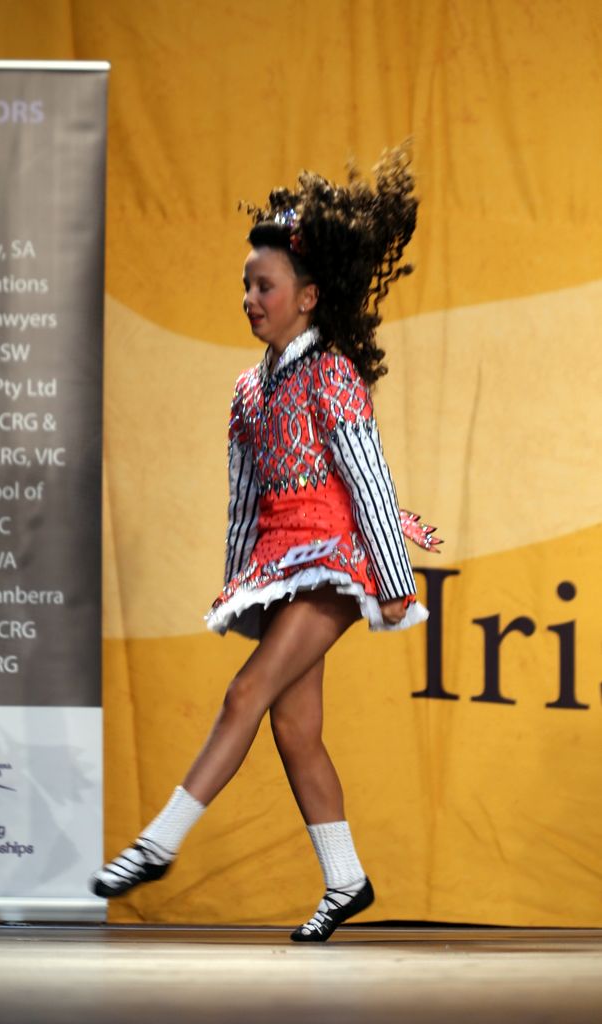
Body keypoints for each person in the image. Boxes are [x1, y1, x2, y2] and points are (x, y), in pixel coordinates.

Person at [90, 145, 440, 941]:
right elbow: (244, 503)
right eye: (246, 285)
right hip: (285, 564)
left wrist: (394, 579)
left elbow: (369, 479)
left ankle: (157, 843)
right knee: (293, 730)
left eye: (264, 286)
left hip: (337, 560)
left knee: (244, 695)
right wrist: (237, 586)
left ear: (307, 296)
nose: (250, 298)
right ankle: (346, 880)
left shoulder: (332, 374)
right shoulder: (250, 390)